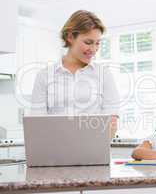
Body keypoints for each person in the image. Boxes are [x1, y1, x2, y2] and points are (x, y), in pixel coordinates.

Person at [31, 10, 120, 139]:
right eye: (88, 42)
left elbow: (112, 122)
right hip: (55, 155)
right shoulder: (44, 76)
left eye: (97, 43)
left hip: (93, 155)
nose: (94, 49)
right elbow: (36, 123)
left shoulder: (104, 75)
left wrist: (97, 147)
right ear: (70, 37)